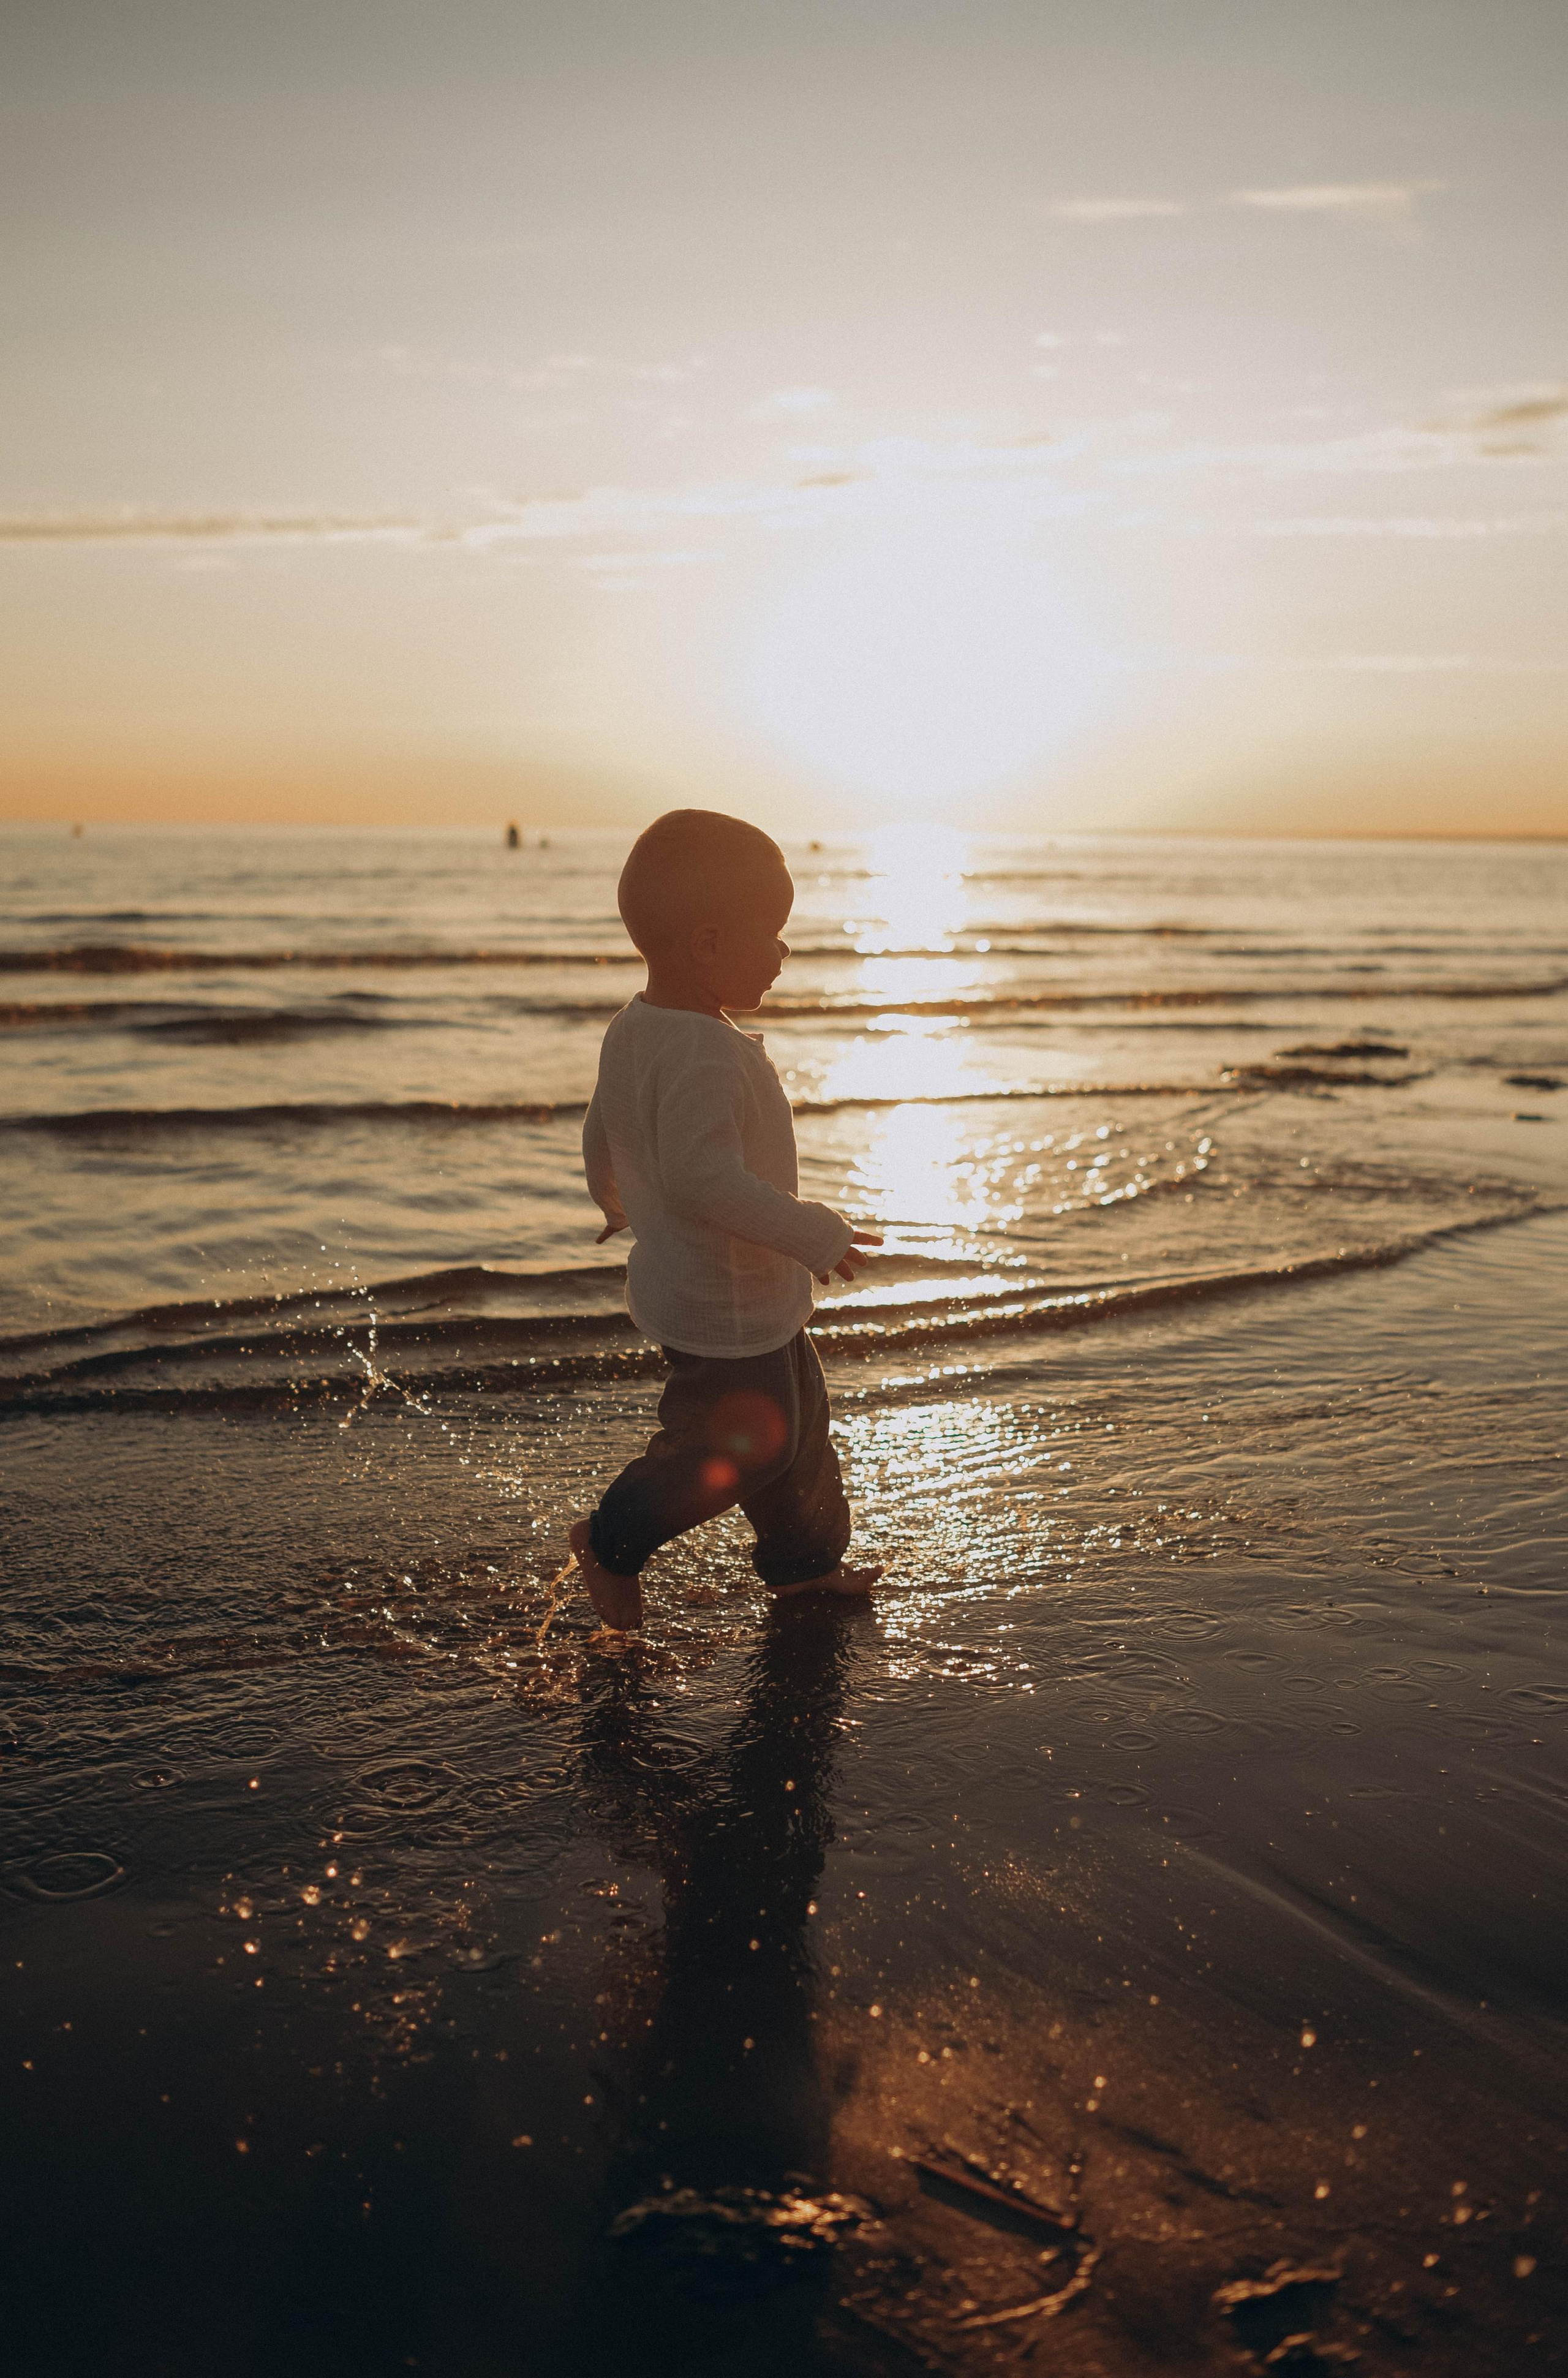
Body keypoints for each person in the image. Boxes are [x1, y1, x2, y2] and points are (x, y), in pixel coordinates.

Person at [570, 810, 883, 1629]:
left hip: (743, 1294)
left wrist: (614, 1199)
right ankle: (611, 1541)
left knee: (801, 1426)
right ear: (707, 946)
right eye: (770, 934)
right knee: (742, 1450)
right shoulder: (704, 1051)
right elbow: (707, 1179)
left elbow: (603, 1125)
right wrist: (816, 1234)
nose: (782, 953)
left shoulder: (637, 1026)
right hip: (722, 1303)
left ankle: (805, 1567)